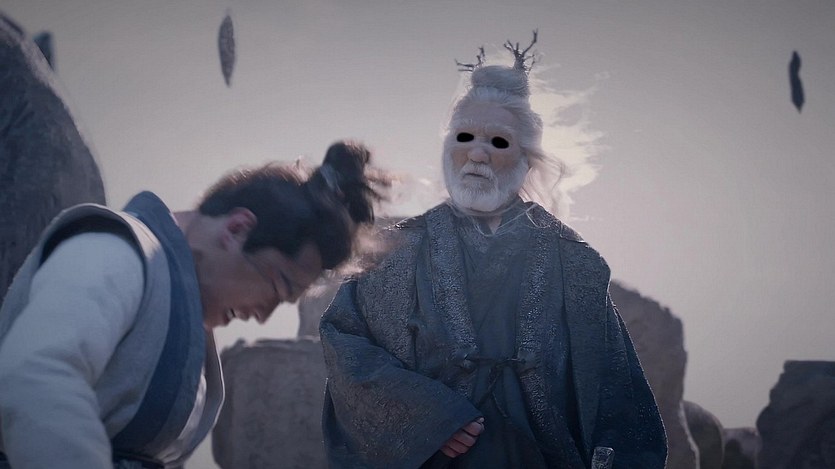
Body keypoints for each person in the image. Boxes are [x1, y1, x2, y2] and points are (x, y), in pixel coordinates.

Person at [320, 34, 667, 469]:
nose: (478, 154)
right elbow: (345, 343)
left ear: (527, 159)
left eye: (498, 141)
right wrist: (430, 418)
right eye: (465, 137)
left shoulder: (575, 263)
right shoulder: (394, 254)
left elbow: (617, 391)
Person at [0, 141, 382, 468]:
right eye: (277, 285)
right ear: (237, 229)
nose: (263, 315)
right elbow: (39, 376)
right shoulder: (114, 250)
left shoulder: (185, 313)